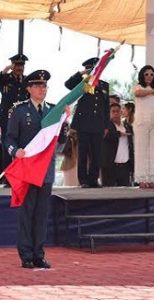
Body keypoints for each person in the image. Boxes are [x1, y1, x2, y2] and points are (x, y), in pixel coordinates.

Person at [6, 70, 66, 268]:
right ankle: (26, 255)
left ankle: (39, 254)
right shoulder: (19, 111)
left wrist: (65, 121)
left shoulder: (53, 111)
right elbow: (9, 138)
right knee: (27, 213)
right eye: (38, 86)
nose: (43, 89)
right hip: (27, 170)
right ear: (29, 89)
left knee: (41, 214)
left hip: (45, 172)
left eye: (45, 86)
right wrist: (15, 151)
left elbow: (61, 141)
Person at [65, 57, 109, 188]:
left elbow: (106, 107)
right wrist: (81, 73)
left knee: (97, 154)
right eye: (93, 69)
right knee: (83, 153)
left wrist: (106, 125)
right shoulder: (82, 84)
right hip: (83, 124)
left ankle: (93, 179)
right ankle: (83, 180)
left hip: (98, 124)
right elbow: (68, 84)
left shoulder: (104, 85)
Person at [133, 65, 154, 189]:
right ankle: (141, 178)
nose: (149, 77)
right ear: (142, 75)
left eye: (152, 74)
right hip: (142, 123)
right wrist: (151, 92)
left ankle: (152, 178)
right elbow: (138, 93)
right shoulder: (139, 87)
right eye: (146, 74)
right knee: (141, 151)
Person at [0, 54, 30, 183]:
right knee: (8, 149)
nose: (20, 68)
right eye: (17, 65)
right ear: (13, 66)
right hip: (7, 119)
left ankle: (21, 176)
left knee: (22, 148)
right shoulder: (5, 79)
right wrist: (6, 69)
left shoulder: (28, 80)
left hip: (22, 119)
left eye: (21, 65)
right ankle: (7, 178)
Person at [101, 103, 134, 186]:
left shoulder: (127, 126)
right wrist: (119, 134)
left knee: (125, 192)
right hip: (110, 165)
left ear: (121, 112)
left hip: (125, 166)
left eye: (118, 111)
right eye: (113, 111)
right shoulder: (106, 125)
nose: (116, 113)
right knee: (109, 191)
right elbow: (105, 135)